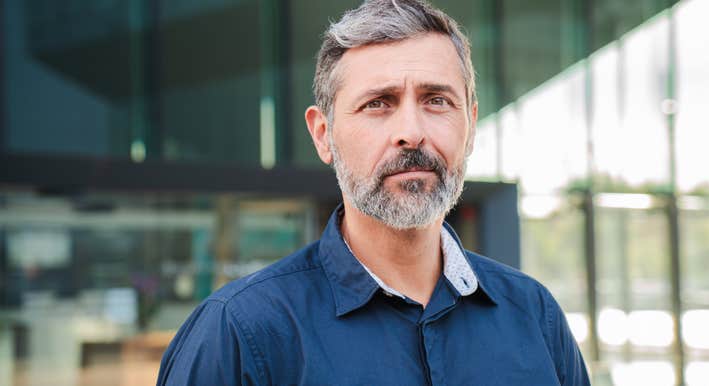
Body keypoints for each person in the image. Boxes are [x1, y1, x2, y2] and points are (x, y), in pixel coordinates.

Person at [156, 0, 590, 385]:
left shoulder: (535, 316)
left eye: (436, 100)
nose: (411, 132)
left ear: (471, 125)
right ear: (323, 135)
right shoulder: (240, 331)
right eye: (378, 103)